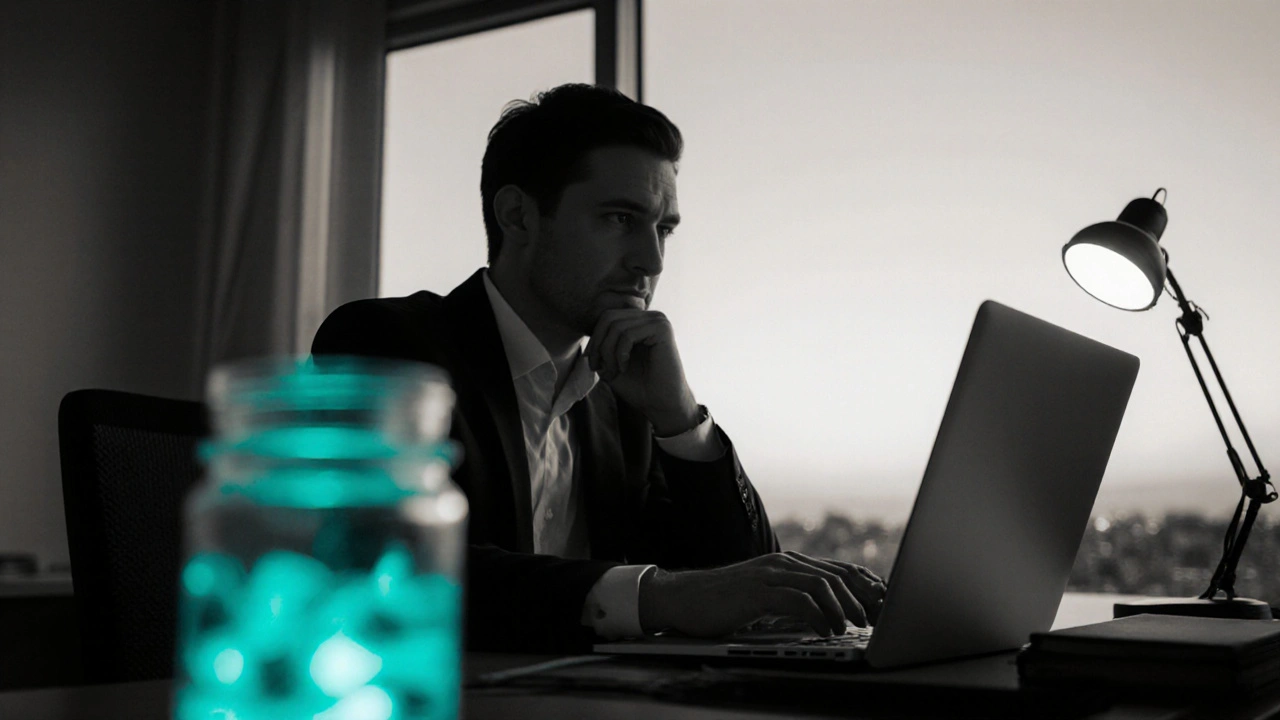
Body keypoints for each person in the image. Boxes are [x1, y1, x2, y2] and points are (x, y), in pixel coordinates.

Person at [312, 83, 885, 652]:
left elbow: (737, 581)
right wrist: (655, 595)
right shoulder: (386, 345)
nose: (651, 260)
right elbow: (387, 562)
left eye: (663, 229)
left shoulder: (626, 398)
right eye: (619, 219)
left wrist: (680, 419)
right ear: (518, 216)